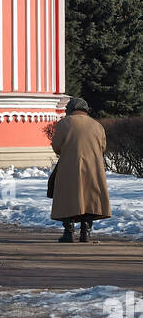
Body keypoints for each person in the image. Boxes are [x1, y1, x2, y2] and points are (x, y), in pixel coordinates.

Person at [50, 97, 111, 243]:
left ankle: (68, 232)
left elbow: (56, 146)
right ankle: (86, 231)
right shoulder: (97, 125)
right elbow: (103, 147)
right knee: (90, 198)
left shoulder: (64, 124)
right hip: (93, 167)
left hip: (69, 166)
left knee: (67, 196)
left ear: (70, 109)